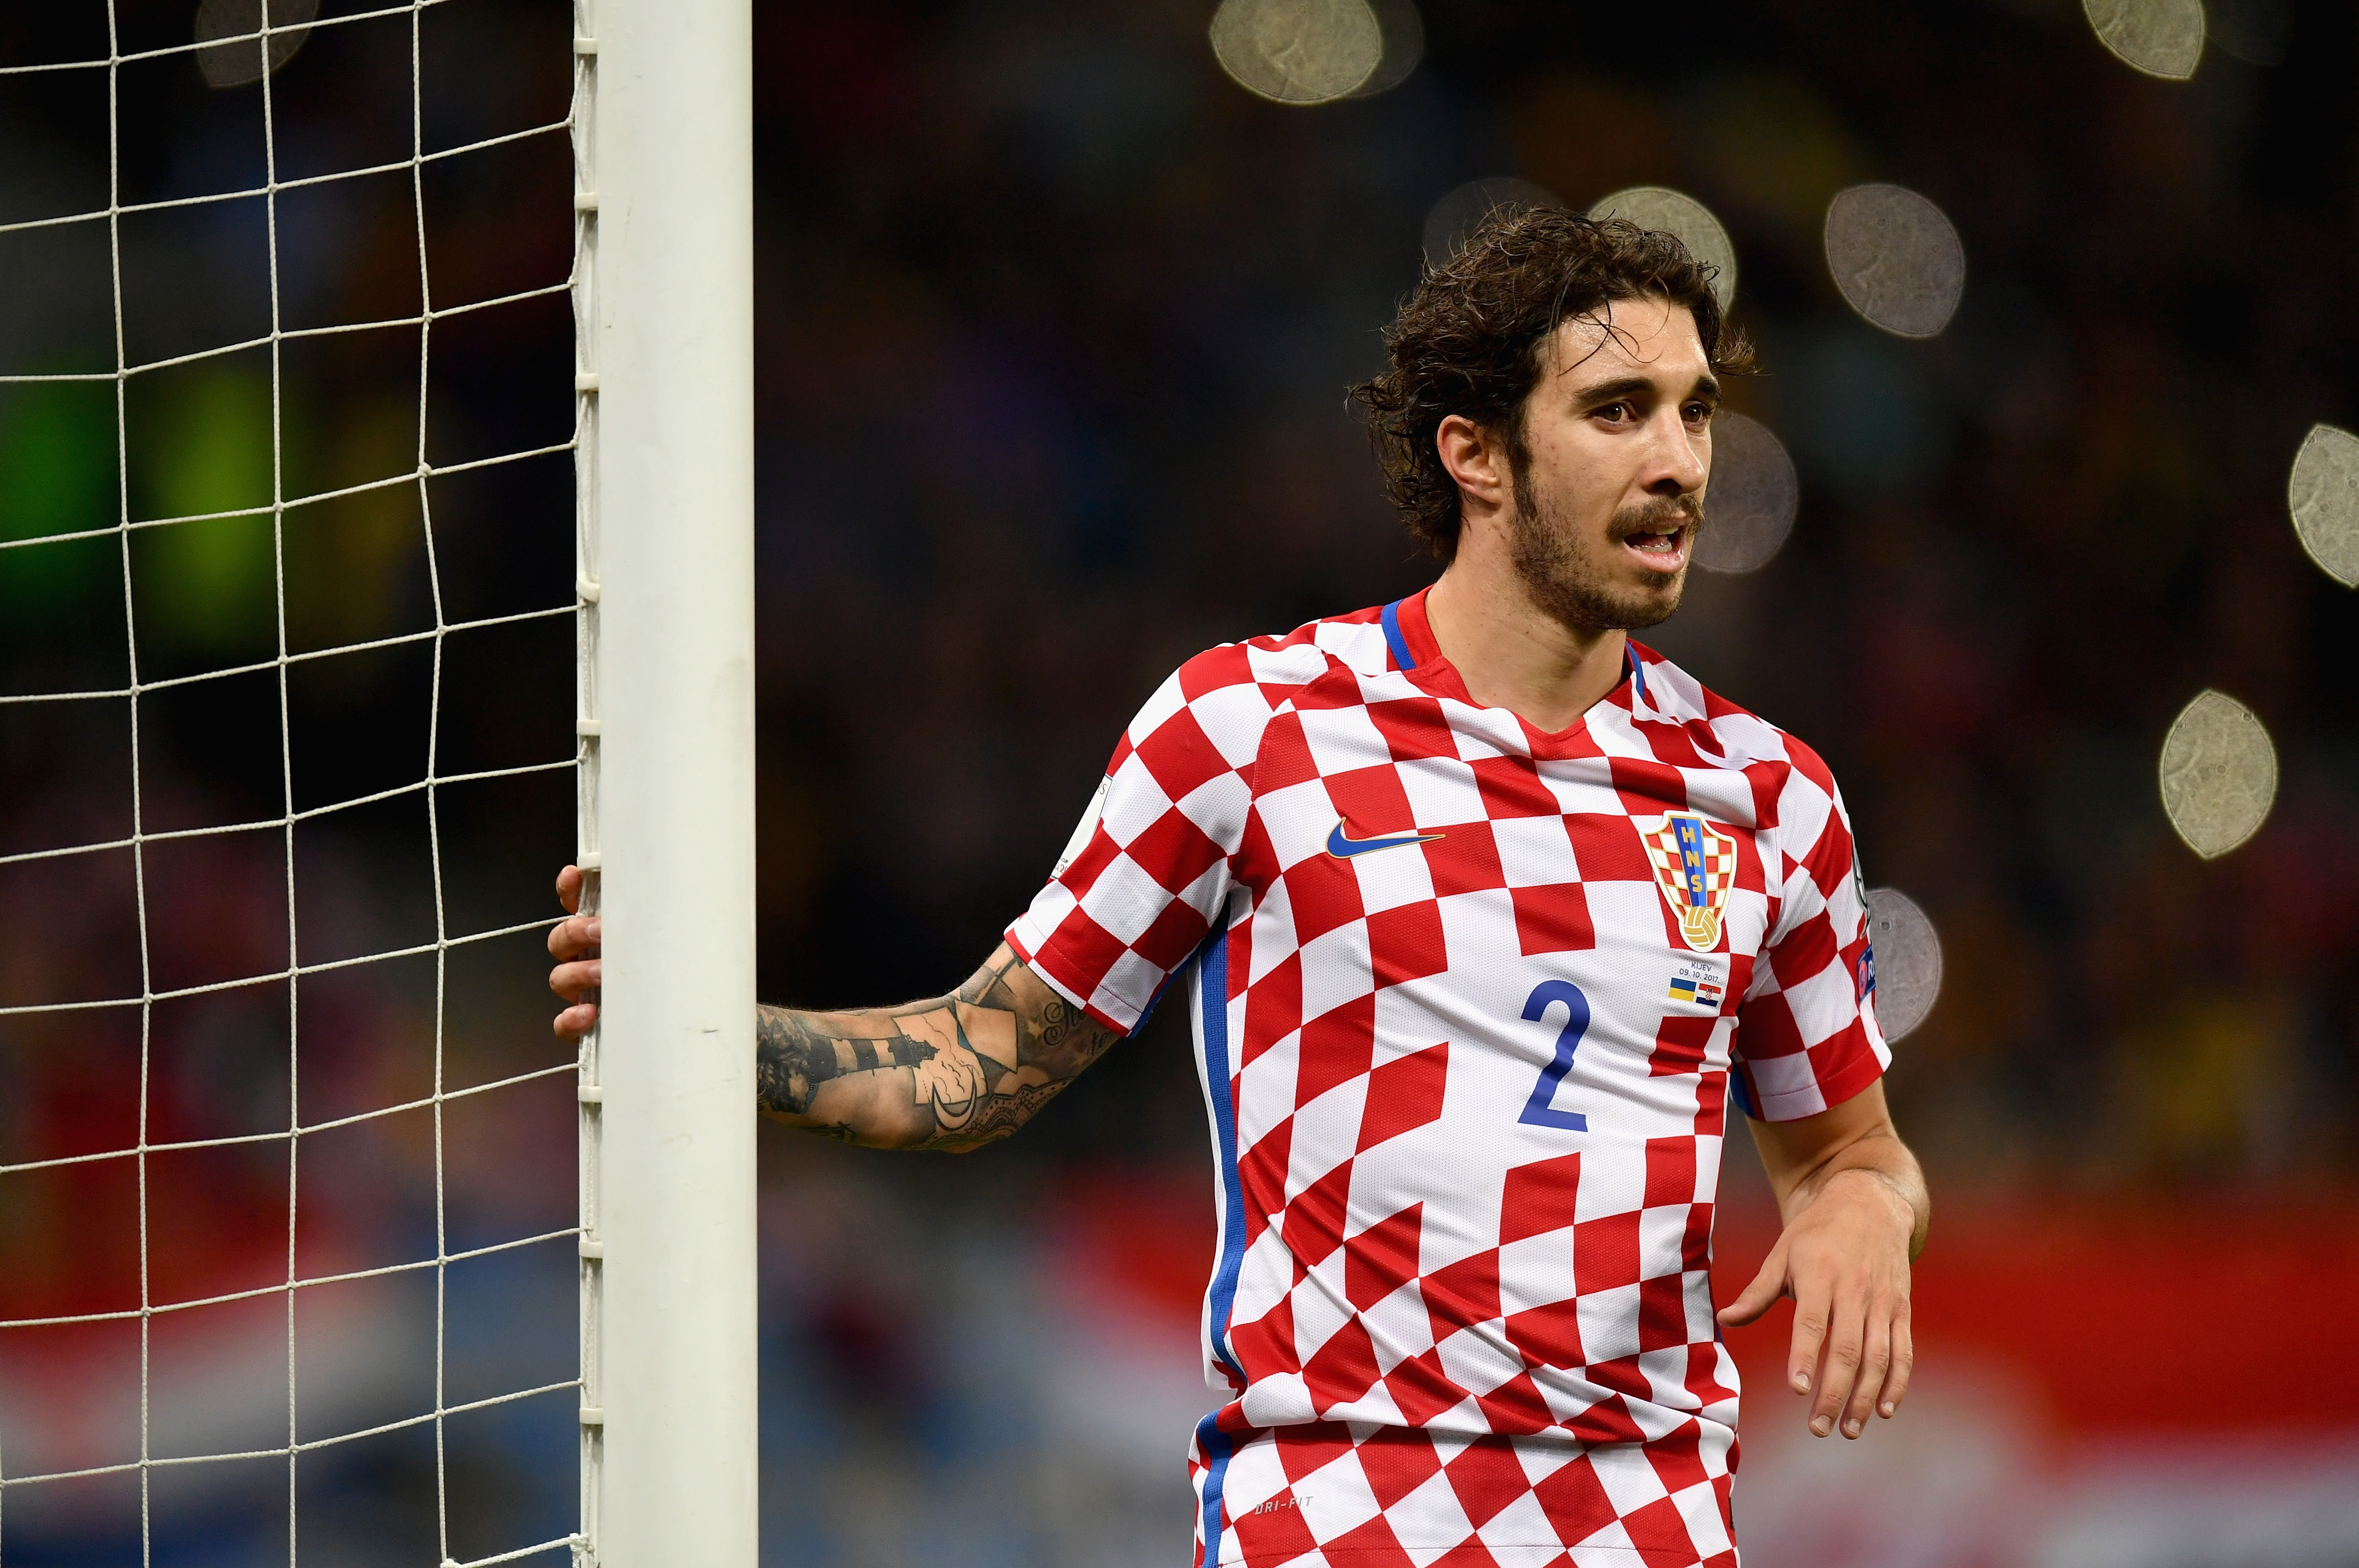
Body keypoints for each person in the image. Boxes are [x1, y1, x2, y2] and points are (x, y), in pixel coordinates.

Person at [547, 209, 1928, 1568]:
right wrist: (716, 1033)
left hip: (1647, 1523)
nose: (1681, 459)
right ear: (1476, 456)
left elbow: (1847, 1155)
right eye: (1618, 411)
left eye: (1693, 413)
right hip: (1339, 1514)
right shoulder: (1254, 730)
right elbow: (984, 1059)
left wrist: (1865, 1205)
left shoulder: (1766, 794)